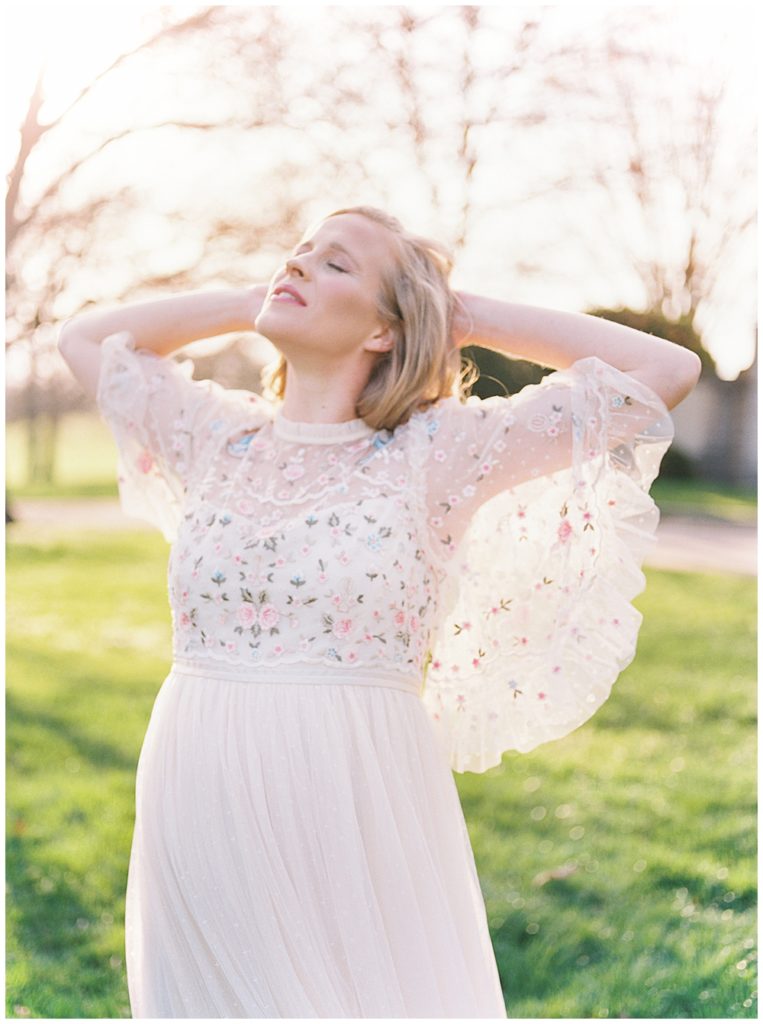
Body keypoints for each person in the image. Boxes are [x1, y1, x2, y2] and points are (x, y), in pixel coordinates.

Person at [58, 205, 701, 1018]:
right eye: (297, 254)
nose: (296, 266)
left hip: (354, 791)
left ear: (384, 331)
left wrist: (455, 315)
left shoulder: (437, 452)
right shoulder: (214, 437)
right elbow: (84, 341)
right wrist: (258, 295)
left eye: (335, 266)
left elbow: (662, 368)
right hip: (197, 780)